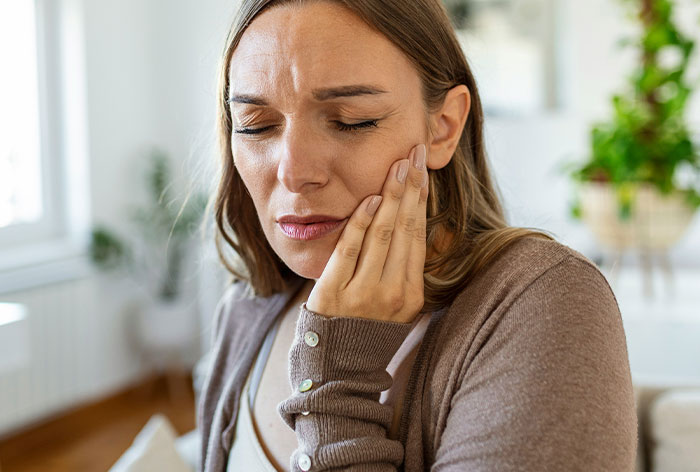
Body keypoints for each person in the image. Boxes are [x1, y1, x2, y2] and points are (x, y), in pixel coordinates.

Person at [197, 1, 638, 471]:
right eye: (256, 126)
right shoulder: (248, 307)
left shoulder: (545, 302)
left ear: (444, 127)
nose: (294, 172)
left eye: (351, 120)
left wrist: (337, 380)